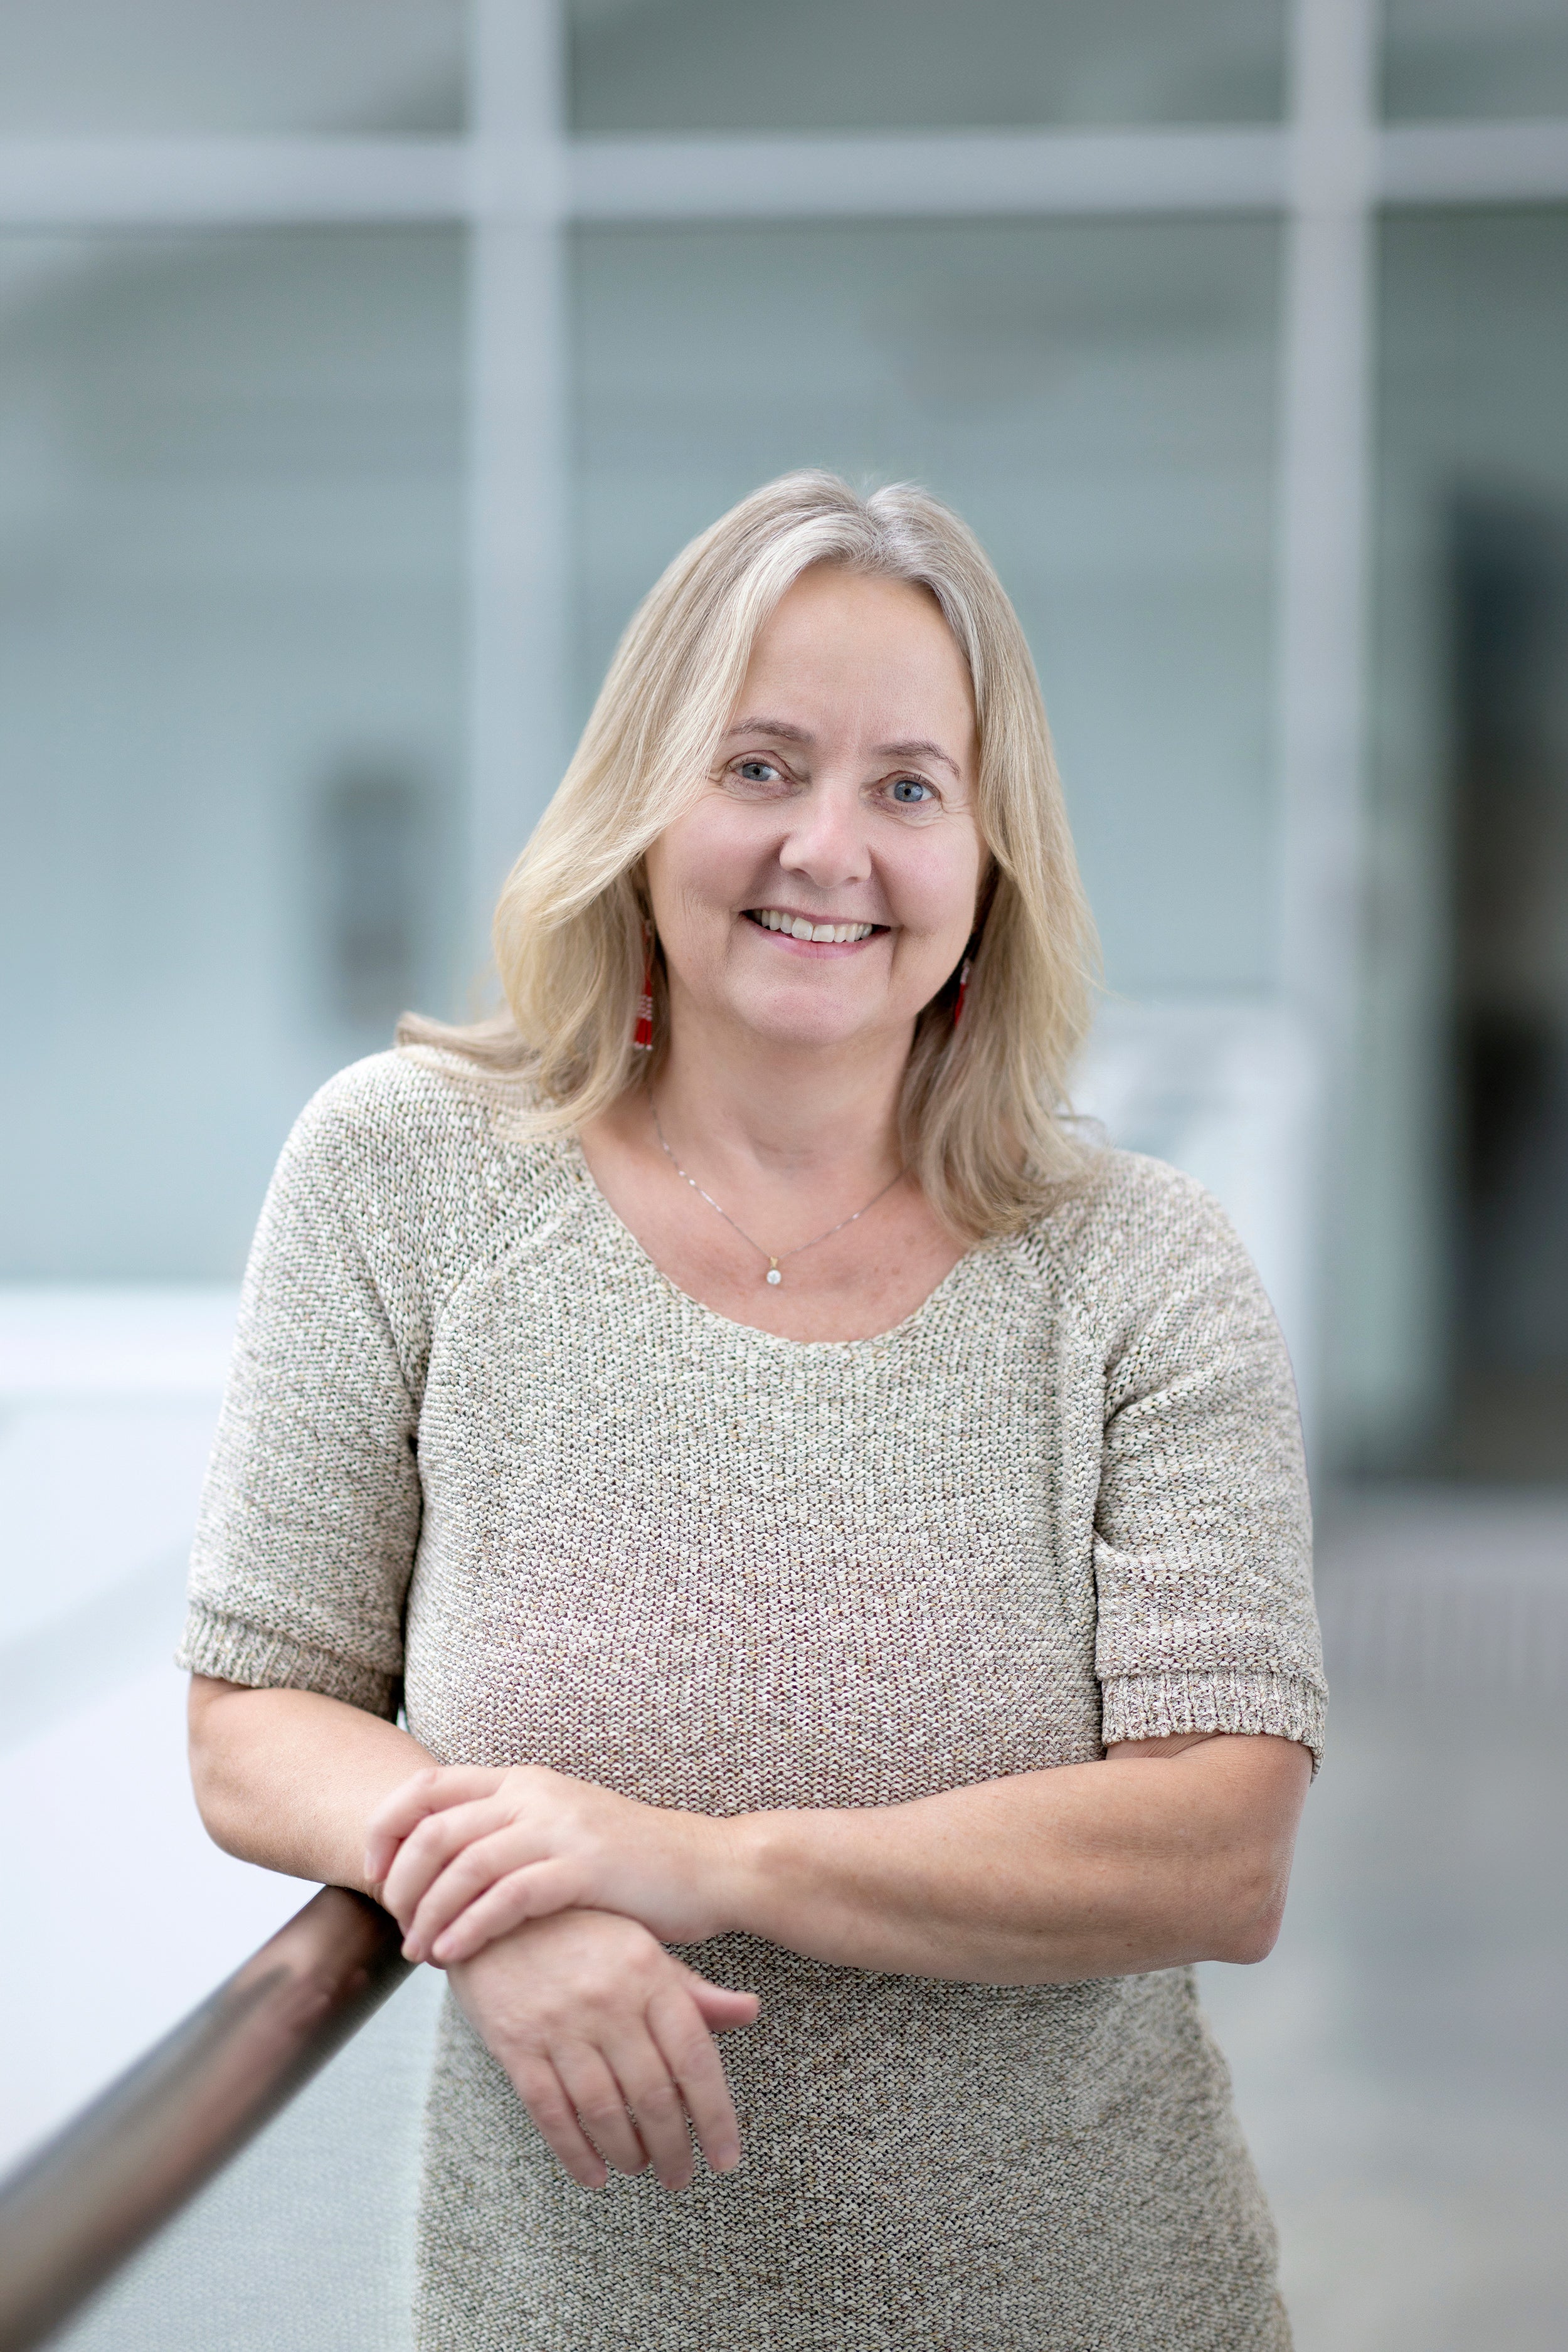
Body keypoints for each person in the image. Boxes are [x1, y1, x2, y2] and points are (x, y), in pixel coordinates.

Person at [182, 470, 1325, 2351]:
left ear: (987, 858)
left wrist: (702, 1862)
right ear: (641, 807)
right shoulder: (406, 1176)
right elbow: (255, 1720)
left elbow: (1217, 1848)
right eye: (759, 765)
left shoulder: (1137, 1264)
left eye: (907, 787)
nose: (829, 851)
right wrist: (497, 1900)